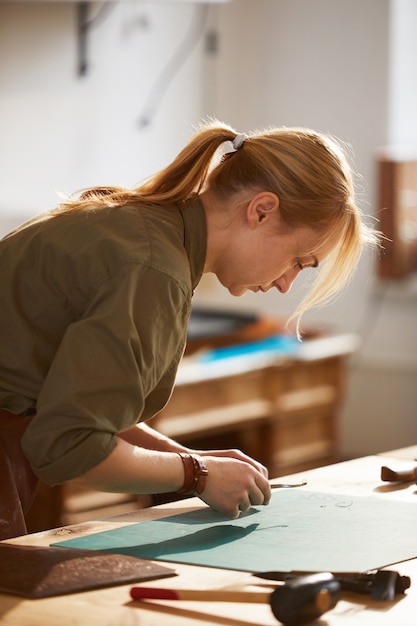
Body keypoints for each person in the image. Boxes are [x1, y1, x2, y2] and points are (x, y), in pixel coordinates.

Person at [0, 120, 379, 540]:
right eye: (299, 260)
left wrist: (188, 458)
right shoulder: (153, 267)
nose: (286, 284)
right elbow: (69, 447)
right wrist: (196, 474)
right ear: (261, 209)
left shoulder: (142, 226)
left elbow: (81, 403)